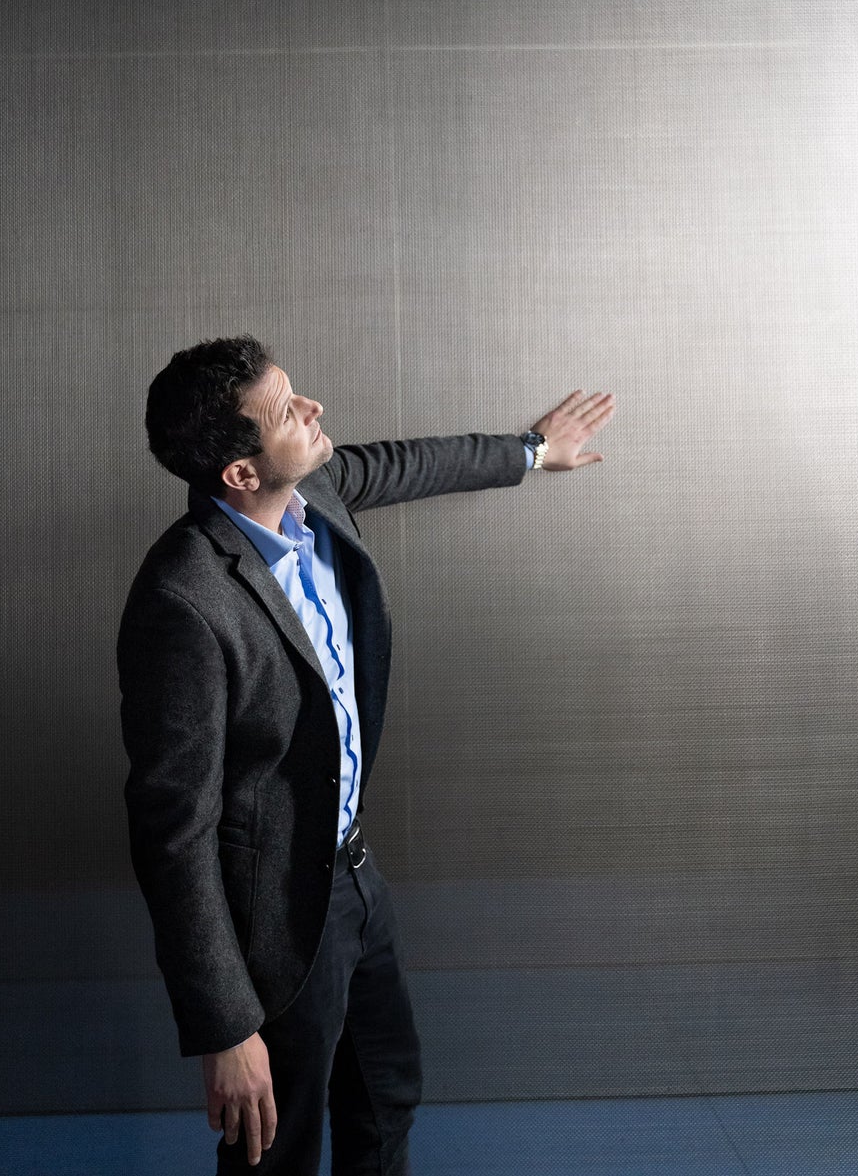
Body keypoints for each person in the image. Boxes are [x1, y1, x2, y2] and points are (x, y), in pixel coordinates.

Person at [117, 335, 615, 1174]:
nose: (312, 410)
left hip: (353, 873)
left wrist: (533, 451)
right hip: (272, 915)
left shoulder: (314, 489)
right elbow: (173, 833)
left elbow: (403, 463)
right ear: (240, 472)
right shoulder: (183, 600)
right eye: (285, 411)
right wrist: (226, 1023)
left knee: (387, 1093)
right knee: (276, 1146)